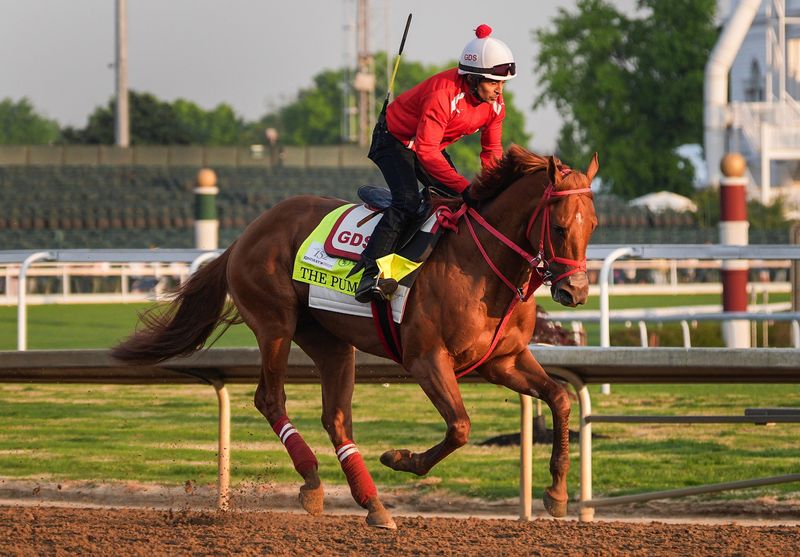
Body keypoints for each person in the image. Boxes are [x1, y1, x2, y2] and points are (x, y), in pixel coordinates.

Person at [355, 23, 517, 303]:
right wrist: (465, 186)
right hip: (394, 141)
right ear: (472, 78)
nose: (499, 91)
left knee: (461, 201)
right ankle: (371, 275)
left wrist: (493, 188)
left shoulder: (496, 105)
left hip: (427, 145)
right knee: (407, 202)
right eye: (493, 83)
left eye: (502, 83)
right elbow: (427, 152)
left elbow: (491, 151)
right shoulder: (443, 95)